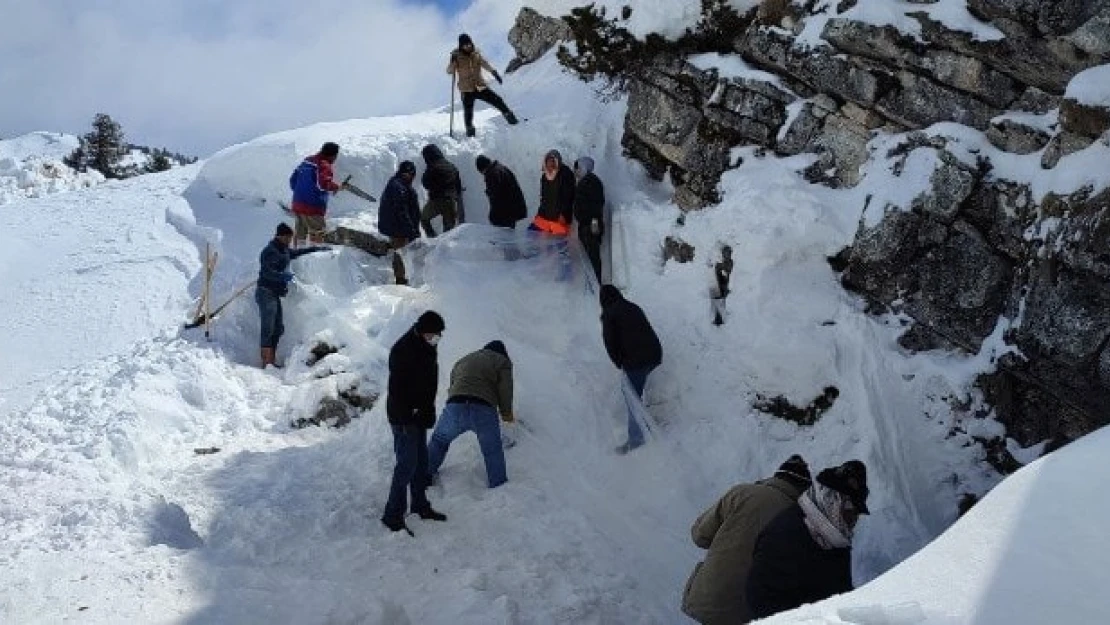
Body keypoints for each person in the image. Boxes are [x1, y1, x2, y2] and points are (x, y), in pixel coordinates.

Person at [682, 456, 813, 625]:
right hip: (752, 613)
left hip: (709, 599)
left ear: (777, 476)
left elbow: (699, 537)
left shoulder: (741, 493)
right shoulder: (804, 522)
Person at [746, 460, 871, 619]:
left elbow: (841, 594)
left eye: (857, 514)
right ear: (831, 500)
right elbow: (761, 600)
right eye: (850, 510)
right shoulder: (786, 534)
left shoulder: (834, 539)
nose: (854, 519)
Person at [382, 311, 449, 535]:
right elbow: (397, 390)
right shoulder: (402, 350)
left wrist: (428, 410)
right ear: (422, 331)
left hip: (418, 414)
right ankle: (392, 515)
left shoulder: (427, 346)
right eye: (433, 335)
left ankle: (420, 505)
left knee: (421, 462)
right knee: (406, 464)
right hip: (403, 416)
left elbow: (428, 382)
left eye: (439, 335)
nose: (436, 338)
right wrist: (408, 416)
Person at [427, 341, 515, 488]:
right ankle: (499, 485)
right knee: (492, 450)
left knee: (439, 440)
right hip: (483, 409)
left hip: (455, 406)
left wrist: (455, 401)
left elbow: (453, 383)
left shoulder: (464, 359)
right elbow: (506, 389)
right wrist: (506, 414)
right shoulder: (502, 361)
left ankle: (424, 475)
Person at [255, 222, 330, 368]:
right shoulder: (270, 251)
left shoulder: (283, 249)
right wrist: (282, 276)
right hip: (265, 292)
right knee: (268, 327)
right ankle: (266, 362)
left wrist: (317, 249)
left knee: (278, 328)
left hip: (274, 294)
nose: (290, 240)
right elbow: (266, 272)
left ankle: (271, 360)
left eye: (291, 238)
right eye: (288, 237)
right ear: (280, 236)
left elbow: (296, 253)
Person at [599, 284, 662, 453]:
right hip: (654, 354)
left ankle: (636, 439)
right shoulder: (632, 306)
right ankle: (645, 421)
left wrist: (620, 363)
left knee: (631, 396)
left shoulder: (609, 314)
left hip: (637, 361)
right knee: (635, 390)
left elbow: (610, 344)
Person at [447, 33, 519, 137]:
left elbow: (484, 63)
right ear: (461, 46)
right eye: (465, 45)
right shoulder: (457, 57)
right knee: (468, 113)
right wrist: (452, 62)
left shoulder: (476, 54)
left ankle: (512, 121)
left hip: (480, 86)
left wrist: (494, 72)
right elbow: (449, 71)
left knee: (498, 100)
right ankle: (470, 134)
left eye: (469, 44)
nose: (468, 46)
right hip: (466, 90)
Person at [289, 142, 344, 246]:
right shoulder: (324, 164)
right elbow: (322, 184)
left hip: (298, 204)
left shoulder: (307, 161)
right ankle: (315, 256)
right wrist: (336, 187)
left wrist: (302, 192)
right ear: (333, 155)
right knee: (318, 234)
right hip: (313, 207)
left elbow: (292, 181)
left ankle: (298, 257)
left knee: (301, 234)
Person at [377, 160, 421, 285]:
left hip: (397, 226)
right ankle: (400, 279)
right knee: (400, 251)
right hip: (397, 227)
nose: (412, 177)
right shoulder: (398, 186)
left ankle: (402, 274)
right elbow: (401, 210)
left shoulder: (400, 184)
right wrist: (410, 230)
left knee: (400, 249)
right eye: (410, 174)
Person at [573, 156, 605, 282]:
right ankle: (595, 280)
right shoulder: (584, 181)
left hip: (591, 224)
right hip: (585, 224)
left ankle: (600, 282)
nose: (576, 171)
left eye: (578, 168)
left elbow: (597, 204)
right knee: (590, 253)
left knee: (593, 253)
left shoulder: (591, 181)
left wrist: (594, 223)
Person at [529, 150, 576, 236]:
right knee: (532, 234)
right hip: (545, 215)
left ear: (557, 161)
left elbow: (568, 197)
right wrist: (539, 213)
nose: (550, 164)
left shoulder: (566, 174)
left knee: (557, 244)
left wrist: (563, 214)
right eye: (548, 161)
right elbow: (544, 197)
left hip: (560, 217)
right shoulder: (545, 177)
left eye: (552, 161)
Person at [420, 144, 462, 237]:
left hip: (436, 201)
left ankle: (433, 239)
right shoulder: (451, 166)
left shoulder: (432, 166)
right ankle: (445, 249)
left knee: (424, 219)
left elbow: (425, 183)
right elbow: (458, 186)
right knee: (449, 233)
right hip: (451, 201)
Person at [476, 155, 527, 229]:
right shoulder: (500, 168)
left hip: (505, 213)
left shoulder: (492, 174)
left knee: (503, 237)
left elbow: (496, 196)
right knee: (509, 235)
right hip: (511, 210)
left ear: (483, 167)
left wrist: (493, 216)